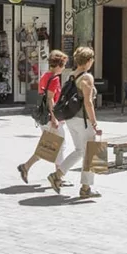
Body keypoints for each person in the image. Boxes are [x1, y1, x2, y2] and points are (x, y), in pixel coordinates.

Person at [48, 46, 102, 200]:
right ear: (89, 60)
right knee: (91, 153)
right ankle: (86, 188)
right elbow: (88, 103)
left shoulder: (71, 75)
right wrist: (95, 123)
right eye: (92, 59)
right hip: (83, 120)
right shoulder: (87, 78)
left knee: (79, 150)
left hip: (71, 118)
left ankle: (57, 175)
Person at [18, 50, 69, 184]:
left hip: (42, 117)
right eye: (63, 65)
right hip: (50, 117)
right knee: (59, 144)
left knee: (49, 145)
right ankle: (58, 176)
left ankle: (26, 167)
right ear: (58, 65)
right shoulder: (54, 79)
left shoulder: (45, 76)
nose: (64, 68)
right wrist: (54, 117)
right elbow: (50, 99)